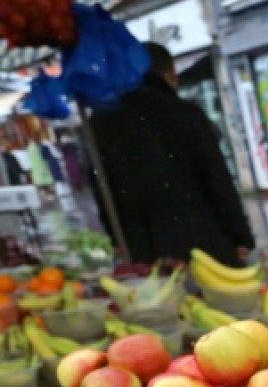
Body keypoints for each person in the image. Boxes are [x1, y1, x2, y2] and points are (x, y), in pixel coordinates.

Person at [90, 42, 254, 266]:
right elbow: (217, 179)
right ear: (169, 74)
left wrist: (116, 239)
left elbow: (101, 188)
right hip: (205, 244)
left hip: (144, 251)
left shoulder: (100, 124)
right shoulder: (186, 113)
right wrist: (240, 236)